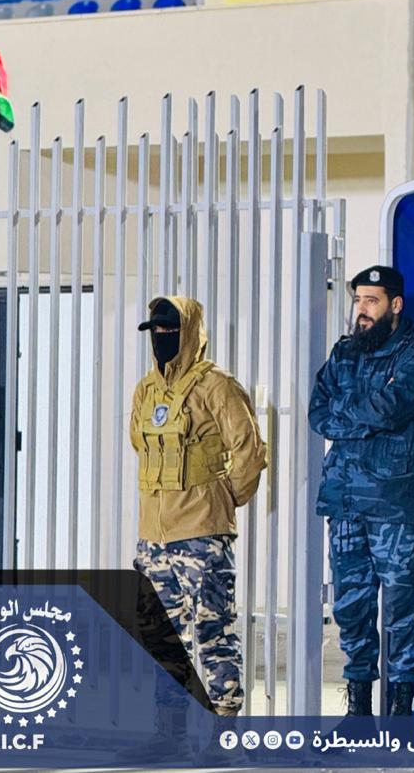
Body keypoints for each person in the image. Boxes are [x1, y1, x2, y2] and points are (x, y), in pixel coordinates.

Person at [309, 265, 414, 717]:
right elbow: (318, 411)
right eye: (358, 301)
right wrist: (361, 418)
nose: (361, 310)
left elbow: (389, 407)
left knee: (399, 607)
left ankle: (401, 710)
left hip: (395, 505)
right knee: (351, 605)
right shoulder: (345, 353)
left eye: (372, 301)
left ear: (395, 305)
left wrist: (351, 416)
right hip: (345, 501)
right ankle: (359, 708)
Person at [129, 295, 268, 726]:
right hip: (154, 536)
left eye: (170, 330)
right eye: (156, 331)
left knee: (213, 630)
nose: (161, 338)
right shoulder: (146, 389)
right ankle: (168, 729)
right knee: (160, 636)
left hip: (202, 534)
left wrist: (221, 500)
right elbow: (139, 443)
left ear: (189, 333)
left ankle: (224, 727)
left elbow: (250, 451)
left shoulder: (217, 386)